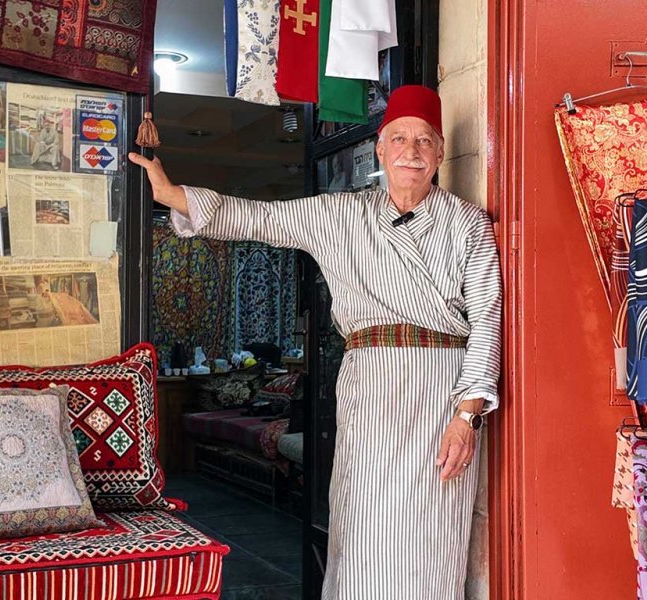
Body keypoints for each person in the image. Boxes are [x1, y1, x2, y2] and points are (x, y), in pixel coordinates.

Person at [130, 85, 501, 599]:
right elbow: (260, 218)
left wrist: (468, 416)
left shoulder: (467, 223)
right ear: (379, 148)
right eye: (399, 139)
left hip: (441, 393)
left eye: (423, 141)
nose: (410, 152)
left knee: (431, 532)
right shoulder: (340, 215)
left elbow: (487, 320)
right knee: (362, 523)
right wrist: (172, 194)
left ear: (440, 152)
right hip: (368, 386)